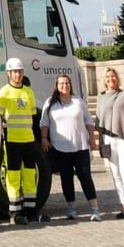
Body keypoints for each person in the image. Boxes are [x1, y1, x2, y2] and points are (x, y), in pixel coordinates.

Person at [40, 72, 101, 222]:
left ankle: (95, 209)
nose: (64, 86)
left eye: (66, 83)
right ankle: (71, 209)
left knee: (85, 177)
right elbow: (44, 123)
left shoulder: (78, 101)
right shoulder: (50, 103)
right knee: (66, 179)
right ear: (56, 86)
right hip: (60, 148)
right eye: (61, 83)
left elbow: (89, 121)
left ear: (70, 85)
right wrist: (44, 138)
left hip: (80, 146)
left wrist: (92, 139)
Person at [0, 58, 40, 224]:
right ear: (8, 73)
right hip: (12, 141)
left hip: (28, 140)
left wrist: (37, 138)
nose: (18, 74)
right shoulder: (4, 92)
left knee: (29, 175)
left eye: (20, 71)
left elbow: (34, 118)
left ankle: (31, 211)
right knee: (13, 177)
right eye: (14, 71)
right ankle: (15, 213)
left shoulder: (29, 92)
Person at [96, 67, 124, 221]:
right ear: (104, 80)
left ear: (117, 78)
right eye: (108, 76)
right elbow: (99, 122)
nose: (110, 79)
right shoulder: (100, 98)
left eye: (113, 76)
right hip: (108, 139)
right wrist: (100, 143)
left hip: (123, 138)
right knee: (116, 175)